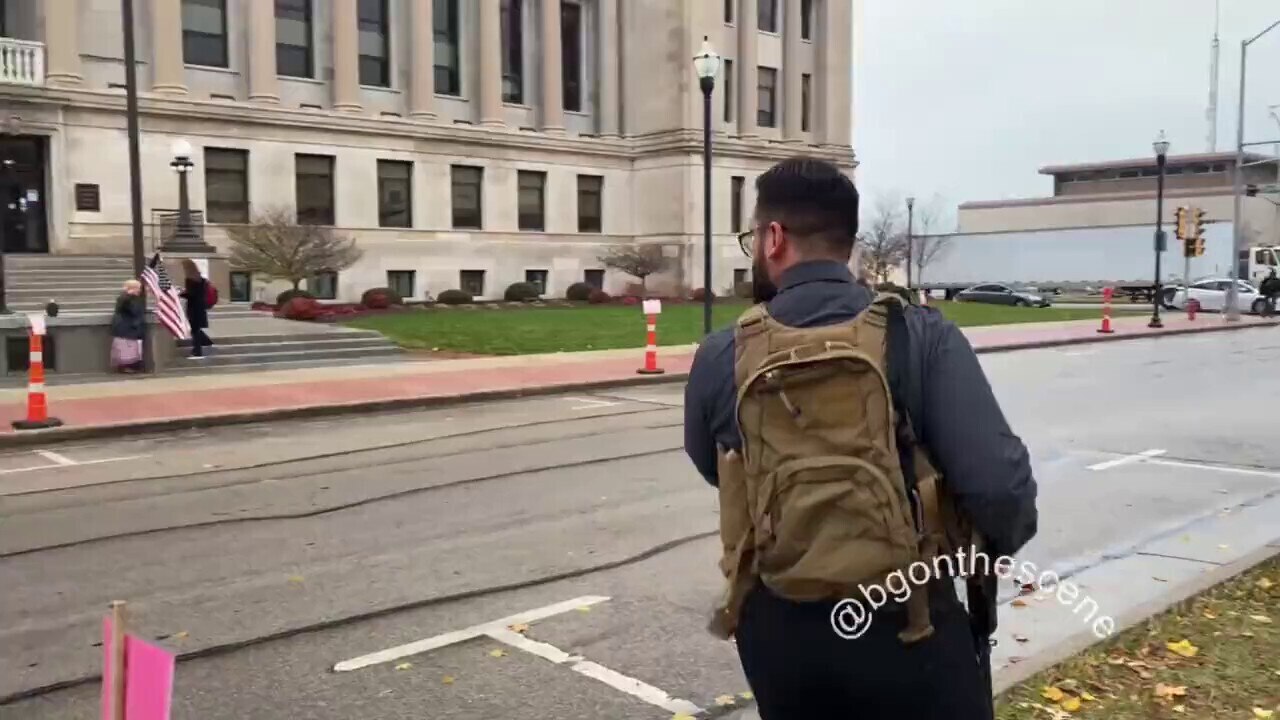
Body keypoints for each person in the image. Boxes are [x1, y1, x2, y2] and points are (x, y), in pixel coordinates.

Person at [684, 157, 1038, 719]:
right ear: (847, 242)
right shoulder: (921, 337)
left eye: (754, 235)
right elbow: (1002, 488)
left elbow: (714, 465)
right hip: (911, 625)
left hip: (782, 638)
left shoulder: (721, 354)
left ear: (773, 238)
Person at [109, 280, 145, 373]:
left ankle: (131, 365)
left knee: (131, 347)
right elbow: (132, 309)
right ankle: (125, 366)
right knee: (125, 347)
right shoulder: (125, 298)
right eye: (138, 288)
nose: (139, 291)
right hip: (125, 327)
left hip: (131, 327)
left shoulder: (134, 299)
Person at [179, 258, 213, 358]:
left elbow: (191, 294)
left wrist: (180, 294)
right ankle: (206, 341)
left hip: (194, 307)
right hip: (200, 306)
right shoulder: (201, 279)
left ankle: (197, 351)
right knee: (196, 328)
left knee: (194, 329)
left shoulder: (190, 279)